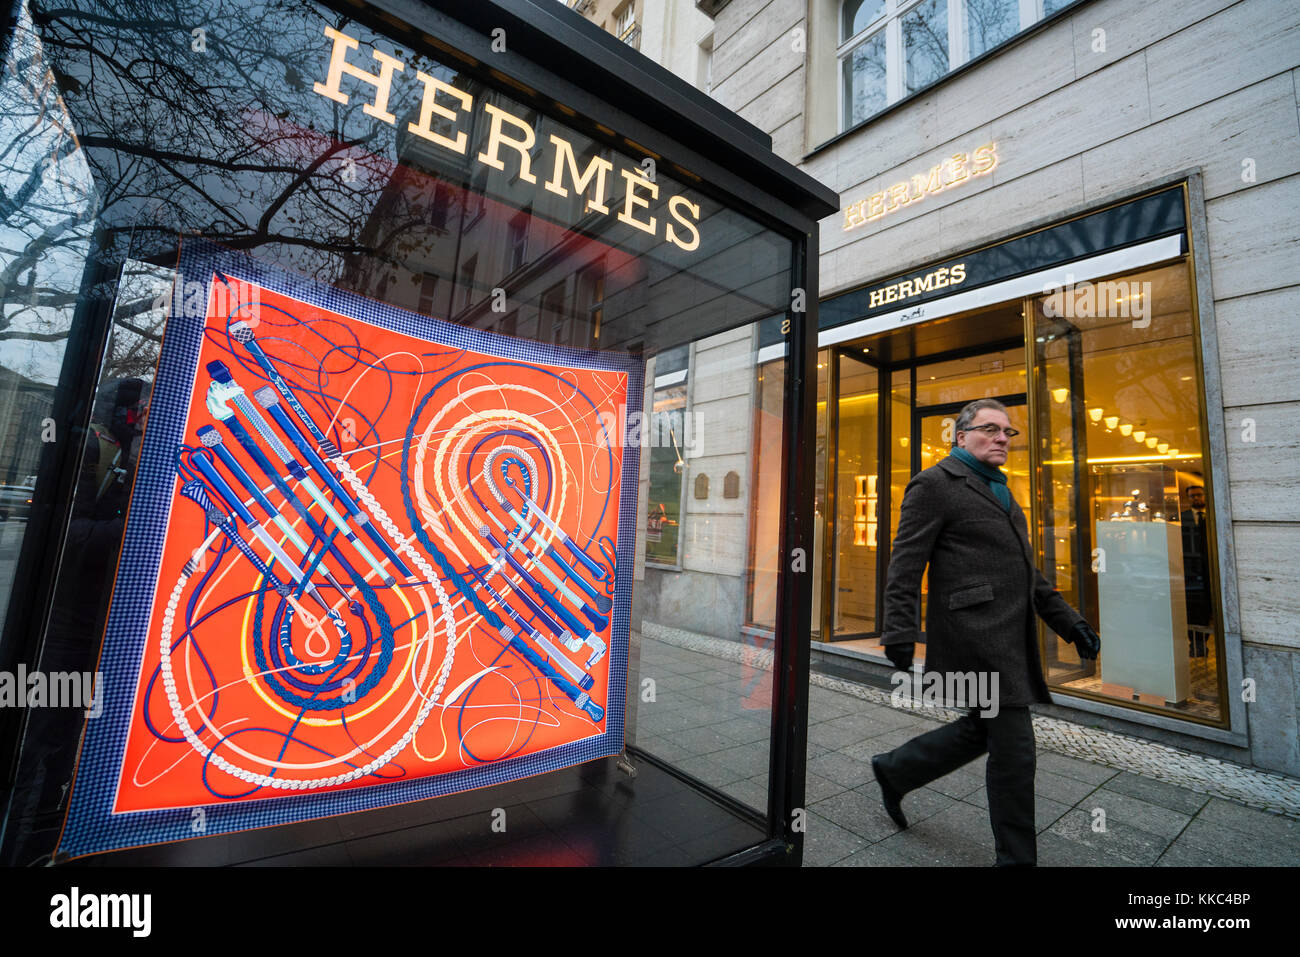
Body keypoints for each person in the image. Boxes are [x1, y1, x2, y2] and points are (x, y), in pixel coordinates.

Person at [871, 398, 1101, 866]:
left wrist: (1069, 622)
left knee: (981, 731)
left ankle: (894, 771)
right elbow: (905, 564)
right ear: (960, 437)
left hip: (1010, 639)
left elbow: (1026, 573)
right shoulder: (934, 485)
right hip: (974, 637)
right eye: (990, 429)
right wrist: (898, 630)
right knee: (1015, 752)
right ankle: (1016, 860)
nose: (1002, 438)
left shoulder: (1001, 491)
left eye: (1007, 432)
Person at [1179, 484, 1213, 658]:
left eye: (1199, 495)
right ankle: (1195, 644)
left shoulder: (1213, 515)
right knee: (1192, 609)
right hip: (1191, 572)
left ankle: (1204, 642)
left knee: (1207, 608)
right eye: (1192, 496)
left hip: (1211, 571)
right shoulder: (1182, 517)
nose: (1196, 498)